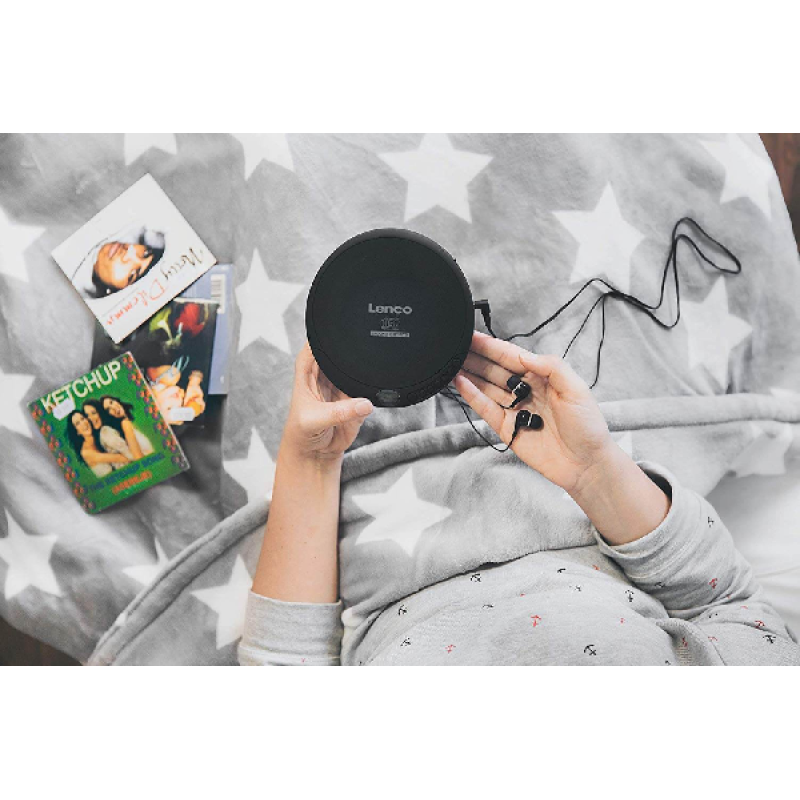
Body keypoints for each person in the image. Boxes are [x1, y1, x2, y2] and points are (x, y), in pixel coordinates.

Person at [238, 334, 800, 666]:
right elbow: (728, 602)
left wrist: (310, 461)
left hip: (353, 509)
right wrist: (595, 471)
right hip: (586, 490)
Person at [69, 222, 165, 299]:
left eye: (131, 275)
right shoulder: (130, 223)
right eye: (146, 253)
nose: (130, 252)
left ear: (112, 292)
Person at [65, 411, 129, 478]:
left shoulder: (97, 437)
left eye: (83, 418)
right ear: (77, 431)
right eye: (77, 423)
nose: (83, 423)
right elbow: (118, 458)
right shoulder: (86, 452)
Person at [99, 396, 154, 460]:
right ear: (109, 415)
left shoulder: (128, 422)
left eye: (111, 402)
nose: (113, 407)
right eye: (108, 409)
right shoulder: (125, 424)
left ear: (116, 401)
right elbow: (138, 458)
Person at [82, 401, 133, 467]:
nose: (91, 418)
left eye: (94, 413)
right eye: (87, 415)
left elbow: (128, 454)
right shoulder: (101, 434)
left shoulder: (105, 431)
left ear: (100, 412)